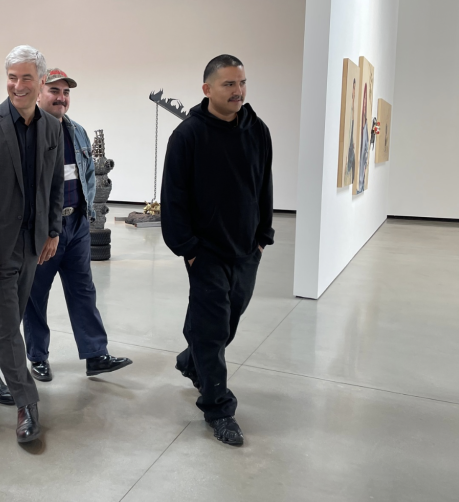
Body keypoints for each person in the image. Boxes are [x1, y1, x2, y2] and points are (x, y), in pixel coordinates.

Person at [160, 54, 274, 446]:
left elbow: (264, 186)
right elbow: (173, 197)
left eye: (242, 82)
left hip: (246, 249)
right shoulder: (188, 135)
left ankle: (190, 362)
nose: (238, 91)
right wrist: (188, 248)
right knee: (211, 331)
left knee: (228, 323)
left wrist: (263, 236)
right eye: (228, 84)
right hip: (205, 252)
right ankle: (218, 408)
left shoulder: (257, 130)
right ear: (207, 89)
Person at [0, 46, 64, 443]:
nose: (18, 85)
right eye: (12, 77)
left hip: (33, 242)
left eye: (26, 78)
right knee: (9, 324)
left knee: (9, 317)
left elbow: (55, 186)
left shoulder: (53, 128)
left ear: (40, 82)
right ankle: (27, 405)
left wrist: (52, 231)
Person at [22, 68, 132, 382]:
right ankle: (38, 357)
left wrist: (86, 215)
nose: (61, 97)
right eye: (54, 91)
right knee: (35, 296)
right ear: (40, 92)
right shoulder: (28, 133)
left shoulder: (78, 132)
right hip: (43, 229)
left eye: (66, 92)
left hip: (77, 226)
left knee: (83, 291)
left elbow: (86, 177)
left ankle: (95, 355)